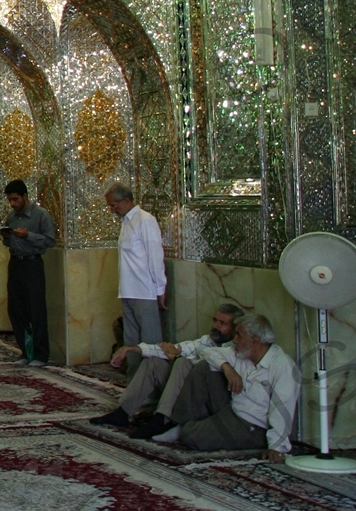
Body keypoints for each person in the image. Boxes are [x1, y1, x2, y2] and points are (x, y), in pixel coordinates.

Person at [139, 314, 300, 459]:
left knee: (192, 436)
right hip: (231, 409)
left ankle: (185, 429)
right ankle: (178, 423)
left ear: (255, 340)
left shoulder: (282, 366)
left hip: (253, 427)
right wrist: (227, 368)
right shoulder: (242, 353)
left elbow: (282, 409)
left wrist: (276, 447)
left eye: (239, 335)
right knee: (204, 368)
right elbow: (207, 352)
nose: (235, 340)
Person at [88, 302, 243, 435]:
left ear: (235, 328)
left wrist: (178, 357)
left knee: (182, 363)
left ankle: (162, 419)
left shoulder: (237, 350)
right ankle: (123, 412)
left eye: (222, 323)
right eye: (215, 320)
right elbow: (171, 349)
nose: (216, 326)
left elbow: (205, 370)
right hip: (183, 395)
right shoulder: (207, 341)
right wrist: (130, 349)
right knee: (155, 361)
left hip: (202, 404)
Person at [1, 179, 57, 366]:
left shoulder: (41, 215)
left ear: (25, 196)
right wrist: (7, 237)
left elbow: (49, 241)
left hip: (33, 265)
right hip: (15, 264)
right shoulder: (12, 216)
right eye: (10, 200)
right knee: (16, 310)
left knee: (36, 310)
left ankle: (41, 355)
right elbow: (9, 242)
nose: (13, 204)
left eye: (16, 199)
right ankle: (26, 351)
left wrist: (28, 236)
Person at [106, 183, 165, 349]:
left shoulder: (145, 220)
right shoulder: (125, 222)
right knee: (130, 341)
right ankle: (134, 374)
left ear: (125, 200)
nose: (112, 210)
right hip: (127, 290)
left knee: (150, 341)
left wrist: (160, 289)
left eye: (114, 206)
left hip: (145, 290)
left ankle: (152, 374)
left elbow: (155, 257)